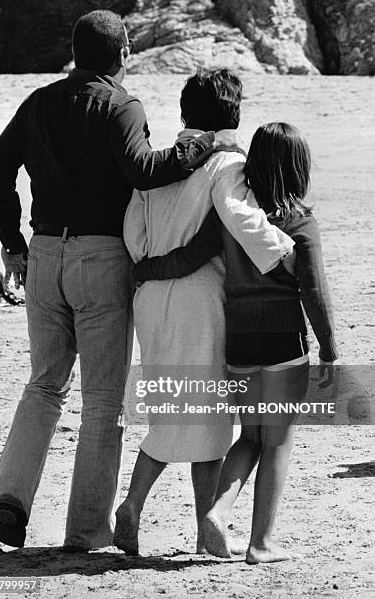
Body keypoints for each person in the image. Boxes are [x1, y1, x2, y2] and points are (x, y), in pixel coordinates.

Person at [0, 10, 241, 551]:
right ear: (123, 53)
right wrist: (200, 146)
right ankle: (85, 530)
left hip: (45, 253)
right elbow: (144, 171)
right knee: (102, 399)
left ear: (76, 52)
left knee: (43, 383)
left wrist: (13, 242)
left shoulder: (40, 102)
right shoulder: (122, 105)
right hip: (100, 258)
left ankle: (10, 496)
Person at [113, 70, 296, 556]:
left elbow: (134, 230)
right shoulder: (227, 163)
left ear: (184, 112)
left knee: (172, 409)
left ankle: (141, 506)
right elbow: (240, 217)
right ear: (233, 115)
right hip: (200, 296)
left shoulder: (155, 166)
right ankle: (206, 526)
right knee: (212, 417)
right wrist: (286, 250)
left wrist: (148, 267)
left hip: (151, 294)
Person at [138, 122, 338, 562]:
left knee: (248, 437)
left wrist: (146, 270)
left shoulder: (231, 221)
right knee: (278, 442)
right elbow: (314, 290)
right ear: (298, 168)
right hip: (284, 341)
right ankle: (261, 542)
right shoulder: (301, 222)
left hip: (240, 341)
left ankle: (219, 510)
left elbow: (188, 257)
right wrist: (329, 346)